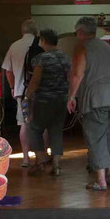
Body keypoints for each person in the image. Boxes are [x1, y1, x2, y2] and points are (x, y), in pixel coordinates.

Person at [67, 17, 110, 191]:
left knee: (96, 136)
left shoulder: (82, 47)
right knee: (108, 133)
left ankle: (101, 181)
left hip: (98, 98)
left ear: (80, 32)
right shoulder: (107, 47)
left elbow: (77, 75)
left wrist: (71, 97)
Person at [23, 29, 71, 176]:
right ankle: (56, 166)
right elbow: (69, 78)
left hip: (43, 100)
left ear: (43, 40)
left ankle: (40, 161)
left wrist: (27, 96)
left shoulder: (41, 59)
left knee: (35, 129)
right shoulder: (65, 58)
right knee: (56, 131)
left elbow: (36, 80)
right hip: (61, 100)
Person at [2, 19, 39, 167]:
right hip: (40, 91)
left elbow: (8, 71)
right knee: (41, 124)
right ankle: (41, 157)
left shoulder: (14, 46)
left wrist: (12, 87)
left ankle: (25, 158)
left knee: (24, 123)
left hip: (21, 91)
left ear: (22, 31)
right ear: (36, 31)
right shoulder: (41, 44)